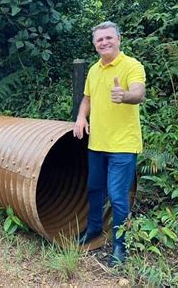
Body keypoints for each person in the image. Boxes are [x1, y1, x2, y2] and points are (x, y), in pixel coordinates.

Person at [73, 21, 146, 267]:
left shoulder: (131, 65)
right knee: (94, 190)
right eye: (99, 40)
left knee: (117, 196)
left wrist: (124, 96)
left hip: (123, 145)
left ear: (119, 39)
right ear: (95, 45)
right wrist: (82, 116)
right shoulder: (94, 70)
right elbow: (87, 98)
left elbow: (139, 93)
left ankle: (119, 244)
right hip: (97, 144)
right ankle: (94, 229)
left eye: (108, 38)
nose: (104, 42)